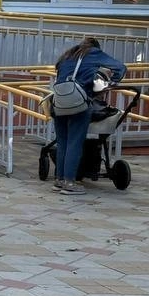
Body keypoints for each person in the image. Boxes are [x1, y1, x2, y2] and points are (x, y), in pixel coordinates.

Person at [51, 36, 125, 195]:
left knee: (62, 142)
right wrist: (112, 82)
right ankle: (70, 183)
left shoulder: (68, 56)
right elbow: (120, 67)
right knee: (74, 142)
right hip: (78, 103)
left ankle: (59, 180)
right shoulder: (93, 53)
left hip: (58, 102)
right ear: (96, 47)